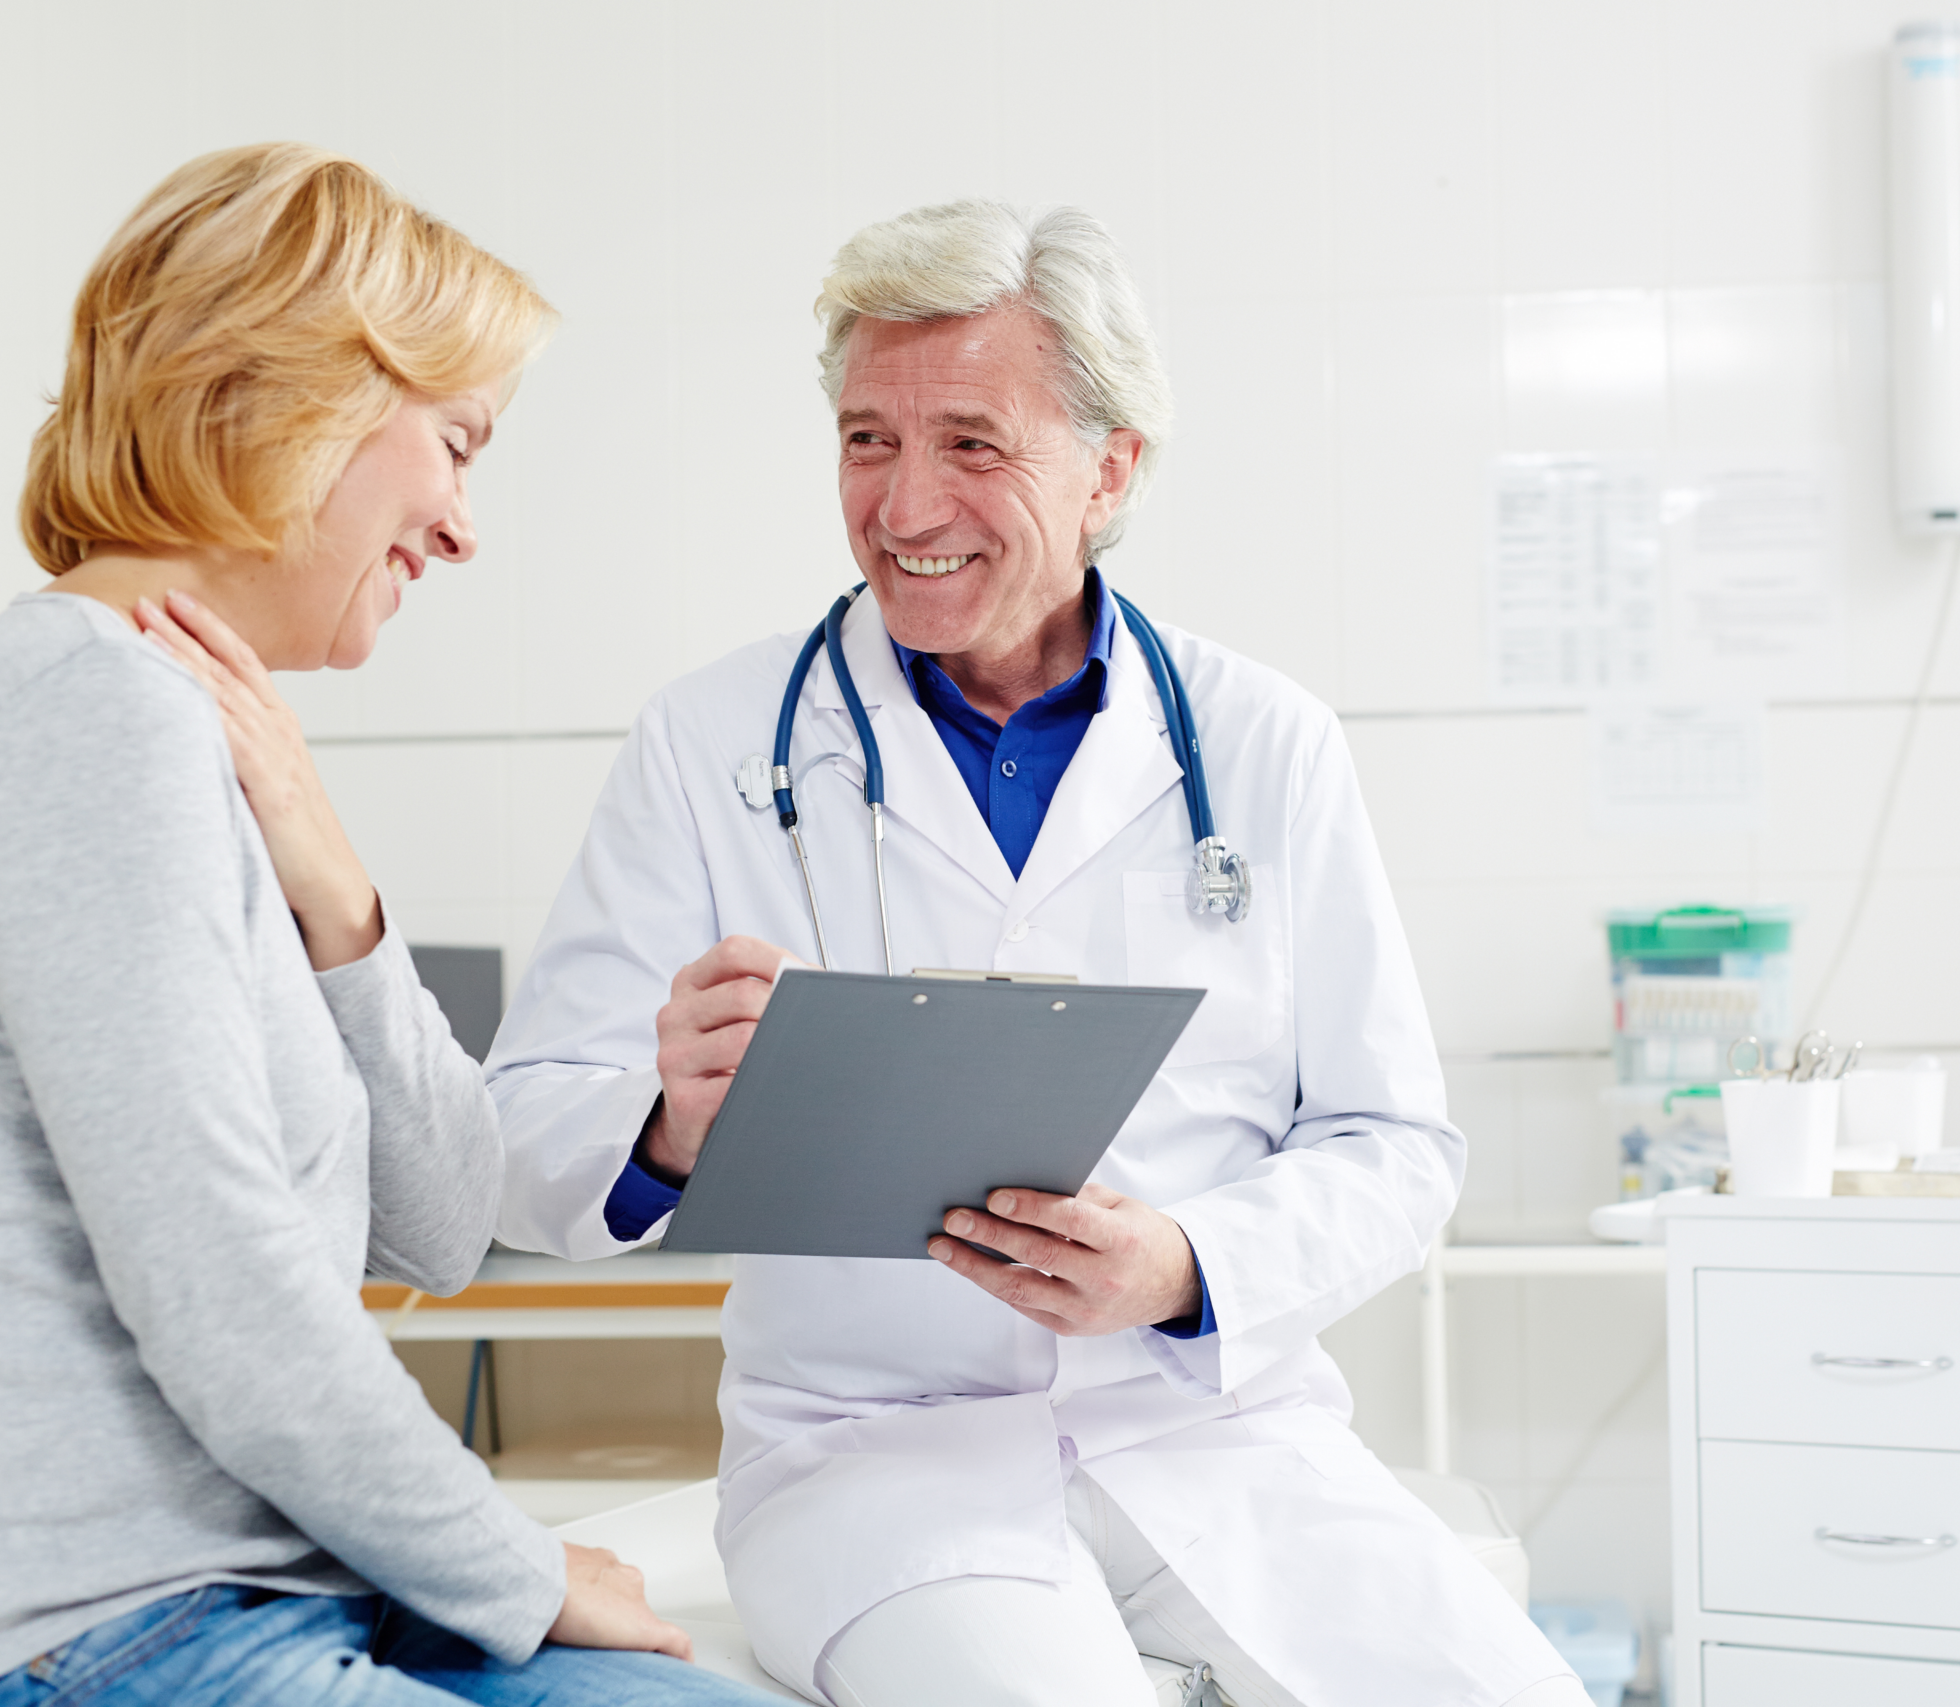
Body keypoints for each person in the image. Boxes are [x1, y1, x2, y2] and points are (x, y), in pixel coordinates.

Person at [487, 200, 1584, 1707]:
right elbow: (523, 1120)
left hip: (1216, 1433)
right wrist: (664, 1125)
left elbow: (1396, 1143)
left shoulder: (1264, 743)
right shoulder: (713, 743)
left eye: (973, 445)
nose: (902, 498)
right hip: (877, 1461)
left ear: (1110, 468)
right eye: (867, 439)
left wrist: (1187, 1264)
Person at [0, 144, 779, 1707]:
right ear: (299, 396)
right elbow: (225, 1296)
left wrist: (341, 895)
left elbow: (439, 1225)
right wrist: (515, 1565)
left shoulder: (188, 733)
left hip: (266, 1587)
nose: (465, 526)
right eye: (457, 443)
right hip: (89, 1637)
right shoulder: (79, 714)